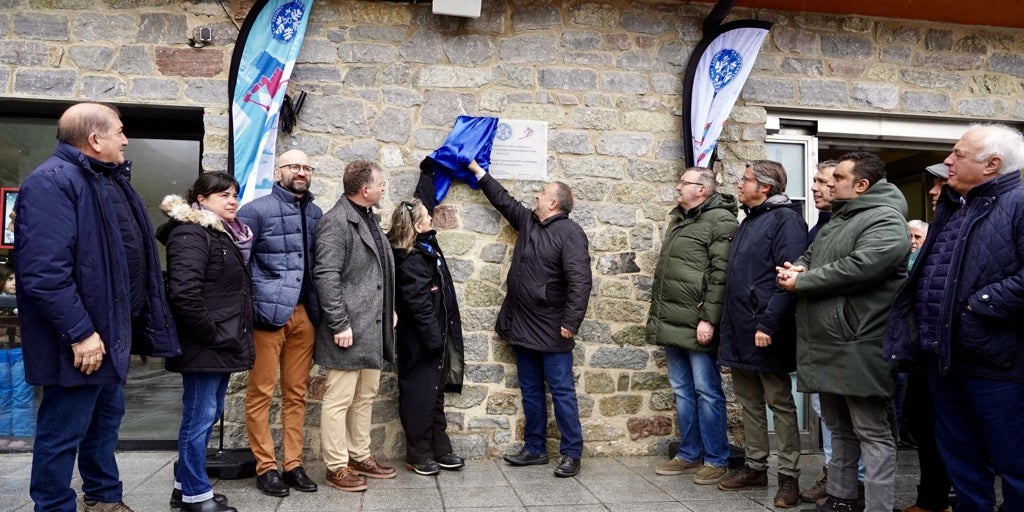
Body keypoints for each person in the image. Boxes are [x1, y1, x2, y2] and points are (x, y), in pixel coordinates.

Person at [15, 102, 180, 512]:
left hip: (110, 335)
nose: (125, 139)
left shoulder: (106, 180)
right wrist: (81, 333)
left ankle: (105, 499)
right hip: (80, 339)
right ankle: (53, 507)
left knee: (105, 425)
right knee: (62, 432)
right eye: (119, 131)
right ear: (95, 139)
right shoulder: (52, 182)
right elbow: (44, 273)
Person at [885, 124, 1024, 512]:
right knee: (962, 462)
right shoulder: (953, 208)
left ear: (992, 164)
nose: (947, 162)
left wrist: (978, 304)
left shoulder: (1019, 204)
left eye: (958, 154)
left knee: (1014, 464)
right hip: (944, 360)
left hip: (997, 364)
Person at [777, 151, 909, 512]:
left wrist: (802, 283)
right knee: (839, 429)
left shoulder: (885, 220)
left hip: (859, 341)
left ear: (861, 185)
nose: (829, 183)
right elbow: (811, 253)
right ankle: (841, 498)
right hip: (829, 341)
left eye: (837, 178)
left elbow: (862, 266)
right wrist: (797, 268)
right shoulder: (839, 219)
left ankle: (878, 507)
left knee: (872, 432)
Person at [467, 161, 592, 478]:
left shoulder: (570, 233)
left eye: (541, 194)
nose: (535, 197)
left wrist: (571, 322)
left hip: (553, 329)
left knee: (561, 391)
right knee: (531, 390)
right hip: (523, 325)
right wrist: (477, 170)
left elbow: (580, 282)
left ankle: (571, 453)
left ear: (554, 203)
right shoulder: (529, 222)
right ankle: (535, 448)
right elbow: (503, 199)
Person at [156, 172, 255, 512]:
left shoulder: (219, 234)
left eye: (234, 194)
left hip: (219, 343)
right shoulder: (191, 233)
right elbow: (183, 294)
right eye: (223, 195)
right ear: (200, 199)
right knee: (199, 419)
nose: (232, 200)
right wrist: (213, 334)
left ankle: (184, 488)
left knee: (208, 415)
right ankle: (197, 497)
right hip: (205, 345)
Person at [716, 160, 807, 507]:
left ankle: (789, 477)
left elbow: (789, 278)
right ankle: (755, 467)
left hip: (766, 330)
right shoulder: (749, 220)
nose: (741, 184)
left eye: (747, 179)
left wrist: (768, 325)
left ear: (765, 187)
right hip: (739, 329)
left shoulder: (786, 221)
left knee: (779, 404)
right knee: (749, 403)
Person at [238, 149, 322, 497]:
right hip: (268, 317)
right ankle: (266, 467)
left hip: (305, 315)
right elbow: (240, 264)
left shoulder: (316, 213)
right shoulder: (255, 211)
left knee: (296, 394)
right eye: (294, 166)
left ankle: (293, 465)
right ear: (278, 171)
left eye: (306, 166)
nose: (300, 172)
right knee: (260, 393)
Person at [647, 167, 738, 485]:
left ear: (702, 189)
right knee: (683, 391)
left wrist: (708, 319)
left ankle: (716, 459)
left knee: (707, 391)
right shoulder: (679, 219)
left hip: (698, 324)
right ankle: (688, 454)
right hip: (673, 320)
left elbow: (720, 275)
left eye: (683, 183)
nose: (677, 186)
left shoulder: (721, 220)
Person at [314, 160, 397, 492]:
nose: (383, 188)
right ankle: (336, 466)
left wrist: (389, 309)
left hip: (372, 326)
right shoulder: (336, 222)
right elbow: (326, 275)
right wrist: (338, 323)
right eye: (381, 183)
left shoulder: (368, 218)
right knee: (339, 399)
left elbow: (376, 273)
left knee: (365, 396)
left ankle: (360, 455)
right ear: (366, 190)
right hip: (347, 329)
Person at [387, 157, 467, 476]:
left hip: (434, 338)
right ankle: (417, 452)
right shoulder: (410, 259)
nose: (431, 218)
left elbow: (423, 202)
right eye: (427, 218)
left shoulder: (425, 245)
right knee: (419, 395)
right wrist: (435, 340)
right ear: (417, 226)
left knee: (434, 394)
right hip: (420, 341)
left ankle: (439, 444)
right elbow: (419, 306)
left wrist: (428, 173)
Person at [0, 265, 33, 452]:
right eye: (9, 279)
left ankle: (21, 433)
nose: (13, 283)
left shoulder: (25, 301)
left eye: (16, 279)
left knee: (21, 393)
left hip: (20, 352)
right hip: (2, 352)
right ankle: (4, 433)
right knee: (3, 393)